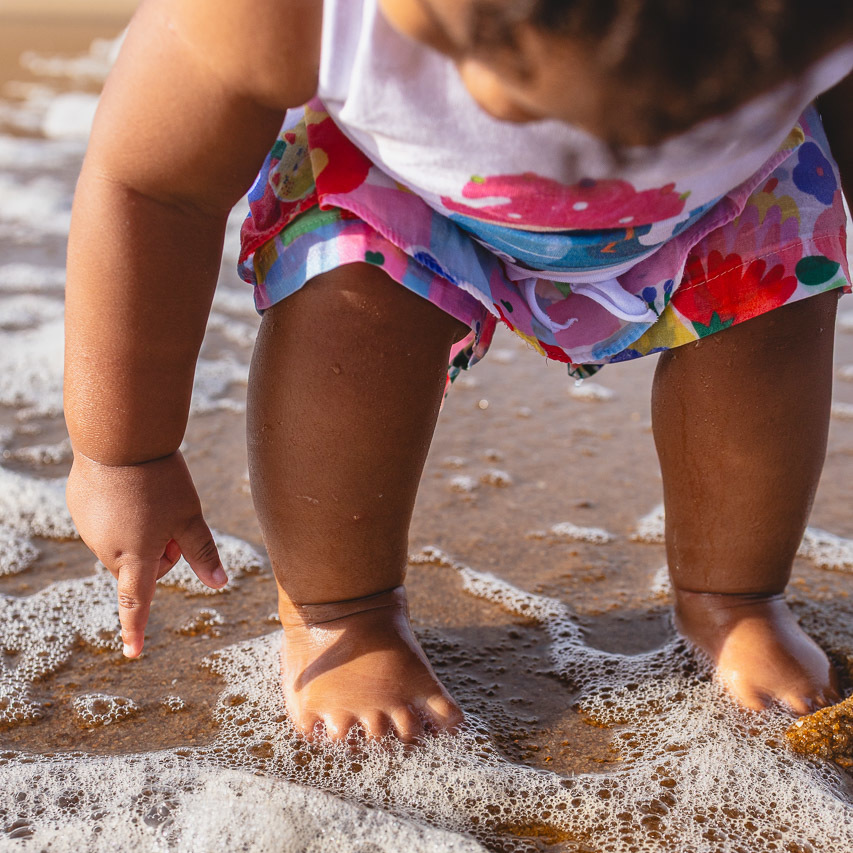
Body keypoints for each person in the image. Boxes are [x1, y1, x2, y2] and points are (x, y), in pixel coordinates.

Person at [64, 0, 853, 743]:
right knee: (350, 328)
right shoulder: (296, 17)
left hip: (719, 196)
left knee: (770, 314)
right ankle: (344, 612)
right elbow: (155, 188)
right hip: (402, 186)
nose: (586, 151)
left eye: (673, 116)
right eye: (523, 94)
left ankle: (735, 591)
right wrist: (125, 454)